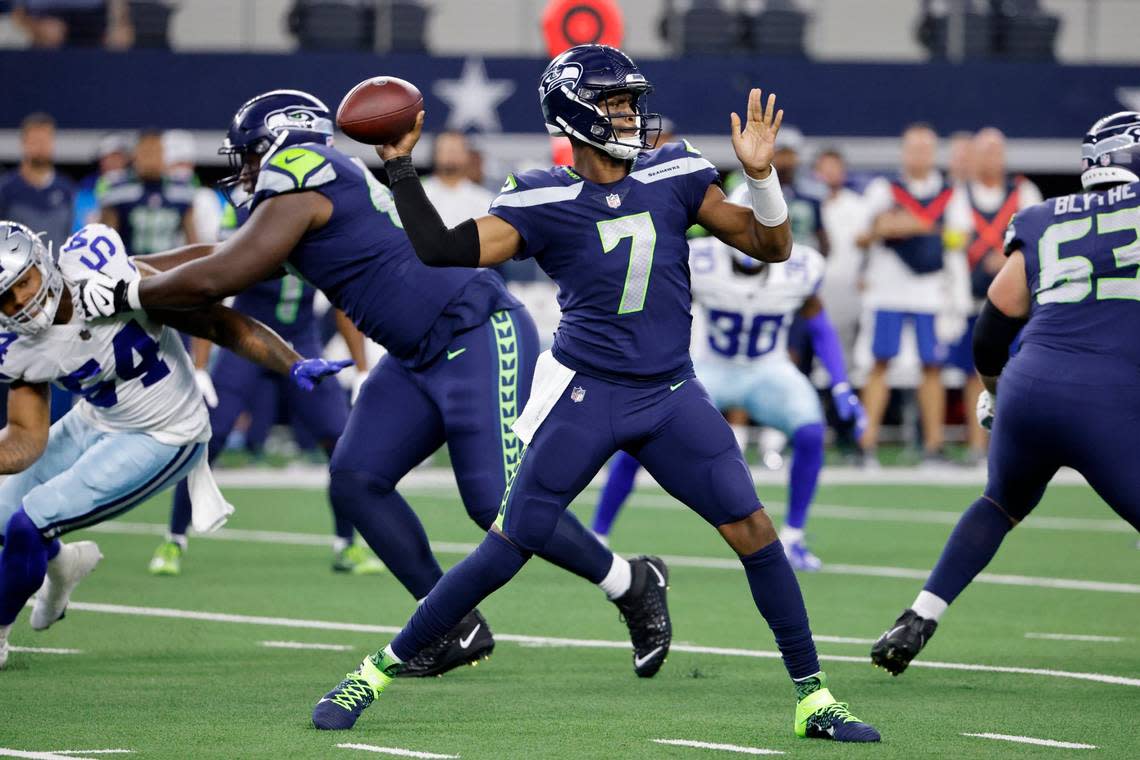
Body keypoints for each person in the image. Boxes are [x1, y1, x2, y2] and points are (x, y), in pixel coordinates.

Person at [309, 44, 879, 742]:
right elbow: (440, 249)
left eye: (631, 102)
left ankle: (813, 698)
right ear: (575, 114)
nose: (631, 115)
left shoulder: (676, 172)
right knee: (506, 543)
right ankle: (373, 672)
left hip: (671, 394)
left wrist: (760, 177)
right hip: (588, 393)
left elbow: (771, 246)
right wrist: (398, 168)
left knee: (755, 531)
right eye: (615, 103)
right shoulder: (542, 196)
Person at [75, 89, 662, 680]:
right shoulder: (302, 193)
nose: (246, 168)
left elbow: (223, 274)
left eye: (252, 153)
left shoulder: (306, 173)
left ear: (281, 142)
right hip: (415, 353)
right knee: (357, 478)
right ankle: (450, 624)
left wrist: (126, 293)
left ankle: (630, 581)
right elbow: (223, 252)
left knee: (493, 502)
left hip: (473, 329)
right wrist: (134, 266)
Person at [0, 221, 348, 669]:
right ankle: (62, 563)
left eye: (22, 283)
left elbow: (214, 316)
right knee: (4, 514)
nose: (20, 302)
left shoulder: (98, 266)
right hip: (98, 418)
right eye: (4, 298)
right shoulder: (16, 346)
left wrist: (291, 361)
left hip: (164, 432)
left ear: (41, 261)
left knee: (30, 524)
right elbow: (27, 438)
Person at [870, 112, 1140, 674]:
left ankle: (920, 613)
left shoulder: (1043, 216)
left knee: (1001, 502)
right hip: (1104, 395)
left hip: (1027, 384)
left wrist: (994, 390)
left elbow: (997, 315)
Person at [590, 236, 866, 571]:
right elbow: (662, 309)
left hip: (768, 369)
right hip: (710, 367)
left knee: (810, 431)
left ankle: (794, 536)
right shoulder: (702, 259)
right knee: (640, 433)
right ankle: (599, 534)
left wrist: (840, 383)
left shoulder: (799, 268)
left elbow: (819, 325)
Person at [148, 202, 383, 577]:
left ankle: (347, 544)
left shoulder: (321, 210)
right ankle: (174, 538)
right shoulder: (247, 212)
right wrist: (201, 365)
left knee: (339, 443)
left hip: (301, 341)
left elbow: (341, 297)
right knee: (209, 439)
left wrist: (362, 368)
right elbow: (213, 287)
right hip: (248, 339)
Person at [856, 124, 967, 465]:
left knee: (932, 366)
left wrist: (917, 226)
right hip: (888, 290)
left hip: (929, 292)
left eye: (925, 149)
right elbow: (861, 236)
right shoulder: (883, 189)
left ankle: (933, 445)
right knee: (880, 363)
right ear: (903, 152)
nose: (919, 156)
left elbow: (960, 238)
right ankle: (867, 442)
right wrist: (883, 227)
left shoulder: (950, 192)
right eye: (913, 149)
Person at [945, 128, 1042, 465]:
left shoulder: (1023, 191)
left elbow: (1038, 238)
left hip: (1015, 304)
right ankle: (977, 444)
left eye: (996, 151)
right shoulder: (961, 194)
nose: (991, 159)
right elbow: (953, 241)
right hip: (975, 299)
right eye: (984, 152)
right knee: (978, 371)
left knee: (1022, 371)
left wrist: (1007, 258)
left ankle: (1019, 444)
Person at [99, 129, 199, 254]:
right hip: (128, 267)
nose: (151, 159)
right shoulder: (117, 189)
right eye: (146, 153)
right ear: (135, 156)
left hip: (169, 269)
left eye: (156, 152)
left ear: (164, 155)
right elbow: (104, 242)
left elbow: (193, 242)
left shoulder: (181, 190)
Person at [421, 131, 493, 226]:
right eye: (446, 150)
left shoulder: (484, 200)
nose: (451, 155)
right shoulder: (418, 194)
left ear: (467, 156)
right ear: (435, 154)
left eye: (456, 150)